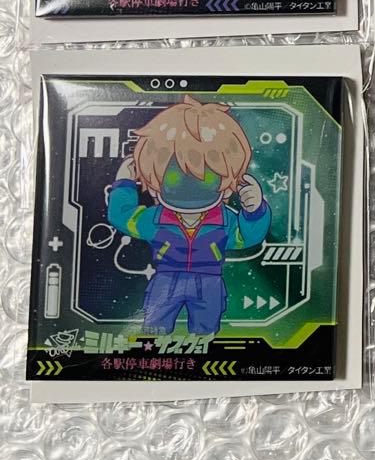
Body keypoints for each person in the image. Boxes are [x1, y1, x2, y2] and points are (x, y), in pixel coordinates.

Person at [106, 96, 270, 335]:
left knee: (206, 332)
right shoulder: (154, 219)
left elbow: (249, 237)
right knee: (154, 331)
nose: (190, 186)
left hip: (209, 282)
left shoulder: (225, 221)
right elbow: (122, 217)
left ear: (226, 184)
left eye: (207, 177)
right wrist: (124, 184)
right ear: (156, 183)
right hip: (166, 280)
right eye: (174, 177)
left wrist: (255, 211)